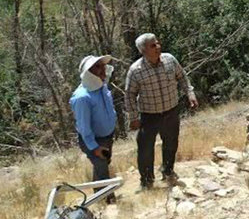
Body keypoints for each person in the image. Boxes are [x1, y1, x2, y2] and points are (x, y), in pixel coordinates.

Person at [126, 33, 197, 189]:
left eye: (157, 43)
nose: (158, 47)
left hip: (171, 111)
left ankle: (167, 170)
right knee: (145, 149)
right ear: (143, 51)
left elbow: (182, 77)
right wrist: (133, 117)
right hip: (149, 116)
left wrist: (190, 93)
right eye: (153, 45)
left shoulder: (169, 60)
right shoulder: (135, 70)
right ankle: (147, 181)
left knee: (171, 143)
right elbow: (130, 94)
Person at [70, 55, 118, 187]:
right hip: (94, 140)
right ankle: (107, 201)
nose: (102, 69)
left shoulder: (102, 86)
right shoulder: (82, 97)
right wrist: (94, 147)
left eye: (102, 65)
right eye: (97, 66)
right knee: (102, 168)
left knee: (103, 164)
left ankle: (100, 196)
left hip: (107, 137)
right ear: (88, 72)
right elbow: (84, 126)